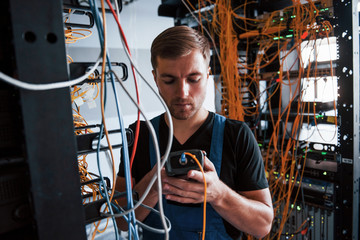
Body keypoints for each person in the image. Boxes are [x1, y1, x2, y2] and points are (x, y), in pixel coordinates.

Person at [115, 25, 273, 239]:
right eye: (169, 80)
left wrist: (218, 194)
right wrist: (152, 187)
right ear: (155, 78)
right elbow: (120, 221)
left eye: (193, 79)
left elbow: (262, 226)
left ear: (207, 75)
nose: (182, 92)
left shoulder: (236, 136)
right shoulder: (139, 136)